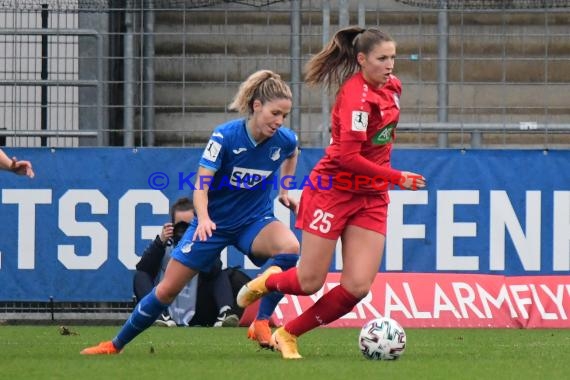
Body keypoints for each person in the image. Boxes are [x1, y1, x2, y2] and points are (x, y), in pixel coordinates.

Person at [237, 27, 427, 359]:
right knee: (309, 281)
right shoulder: (356, 97)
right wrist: (397, 177)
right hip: (334, 192)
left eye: (393, 57)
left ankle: (288, 333)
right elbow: (347, 158)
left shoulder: (393, 88)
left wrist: (385, 179)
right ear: (362, 59)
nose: (390, 65)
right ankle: (269, 282)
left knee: (357, 287)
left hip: (370, 197)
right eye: (382, 58)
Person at [81, 69, 300, 355]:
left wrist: (284, 190)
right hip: (212, 225)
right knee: (166, 291)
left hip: (253, 221)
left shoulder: (284, 140)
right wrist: (205, 218)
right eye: (275, 113)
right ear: (256, 106)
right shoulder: (225, 137)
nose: (279, 121)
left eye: (285, 115)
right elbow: (201, 186)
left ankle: (260, 321)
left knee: (290, 248)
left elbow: (293, 153)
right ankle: (114, 345)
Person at [133, 197, 240, 328]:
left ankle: (225, 313)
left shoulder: (204, 242)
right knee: (140, 276)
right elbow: (143, 269)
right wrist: (159, 242)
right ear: (172, 225)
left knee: (221, 274)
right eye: (179, 226)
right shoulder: (164, 245)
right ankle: (157, 314)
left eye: (188, 227)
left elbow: (214, 271)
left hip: (199, 308)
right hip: (166, 306)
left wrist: (200, 245)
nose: (183, 232)